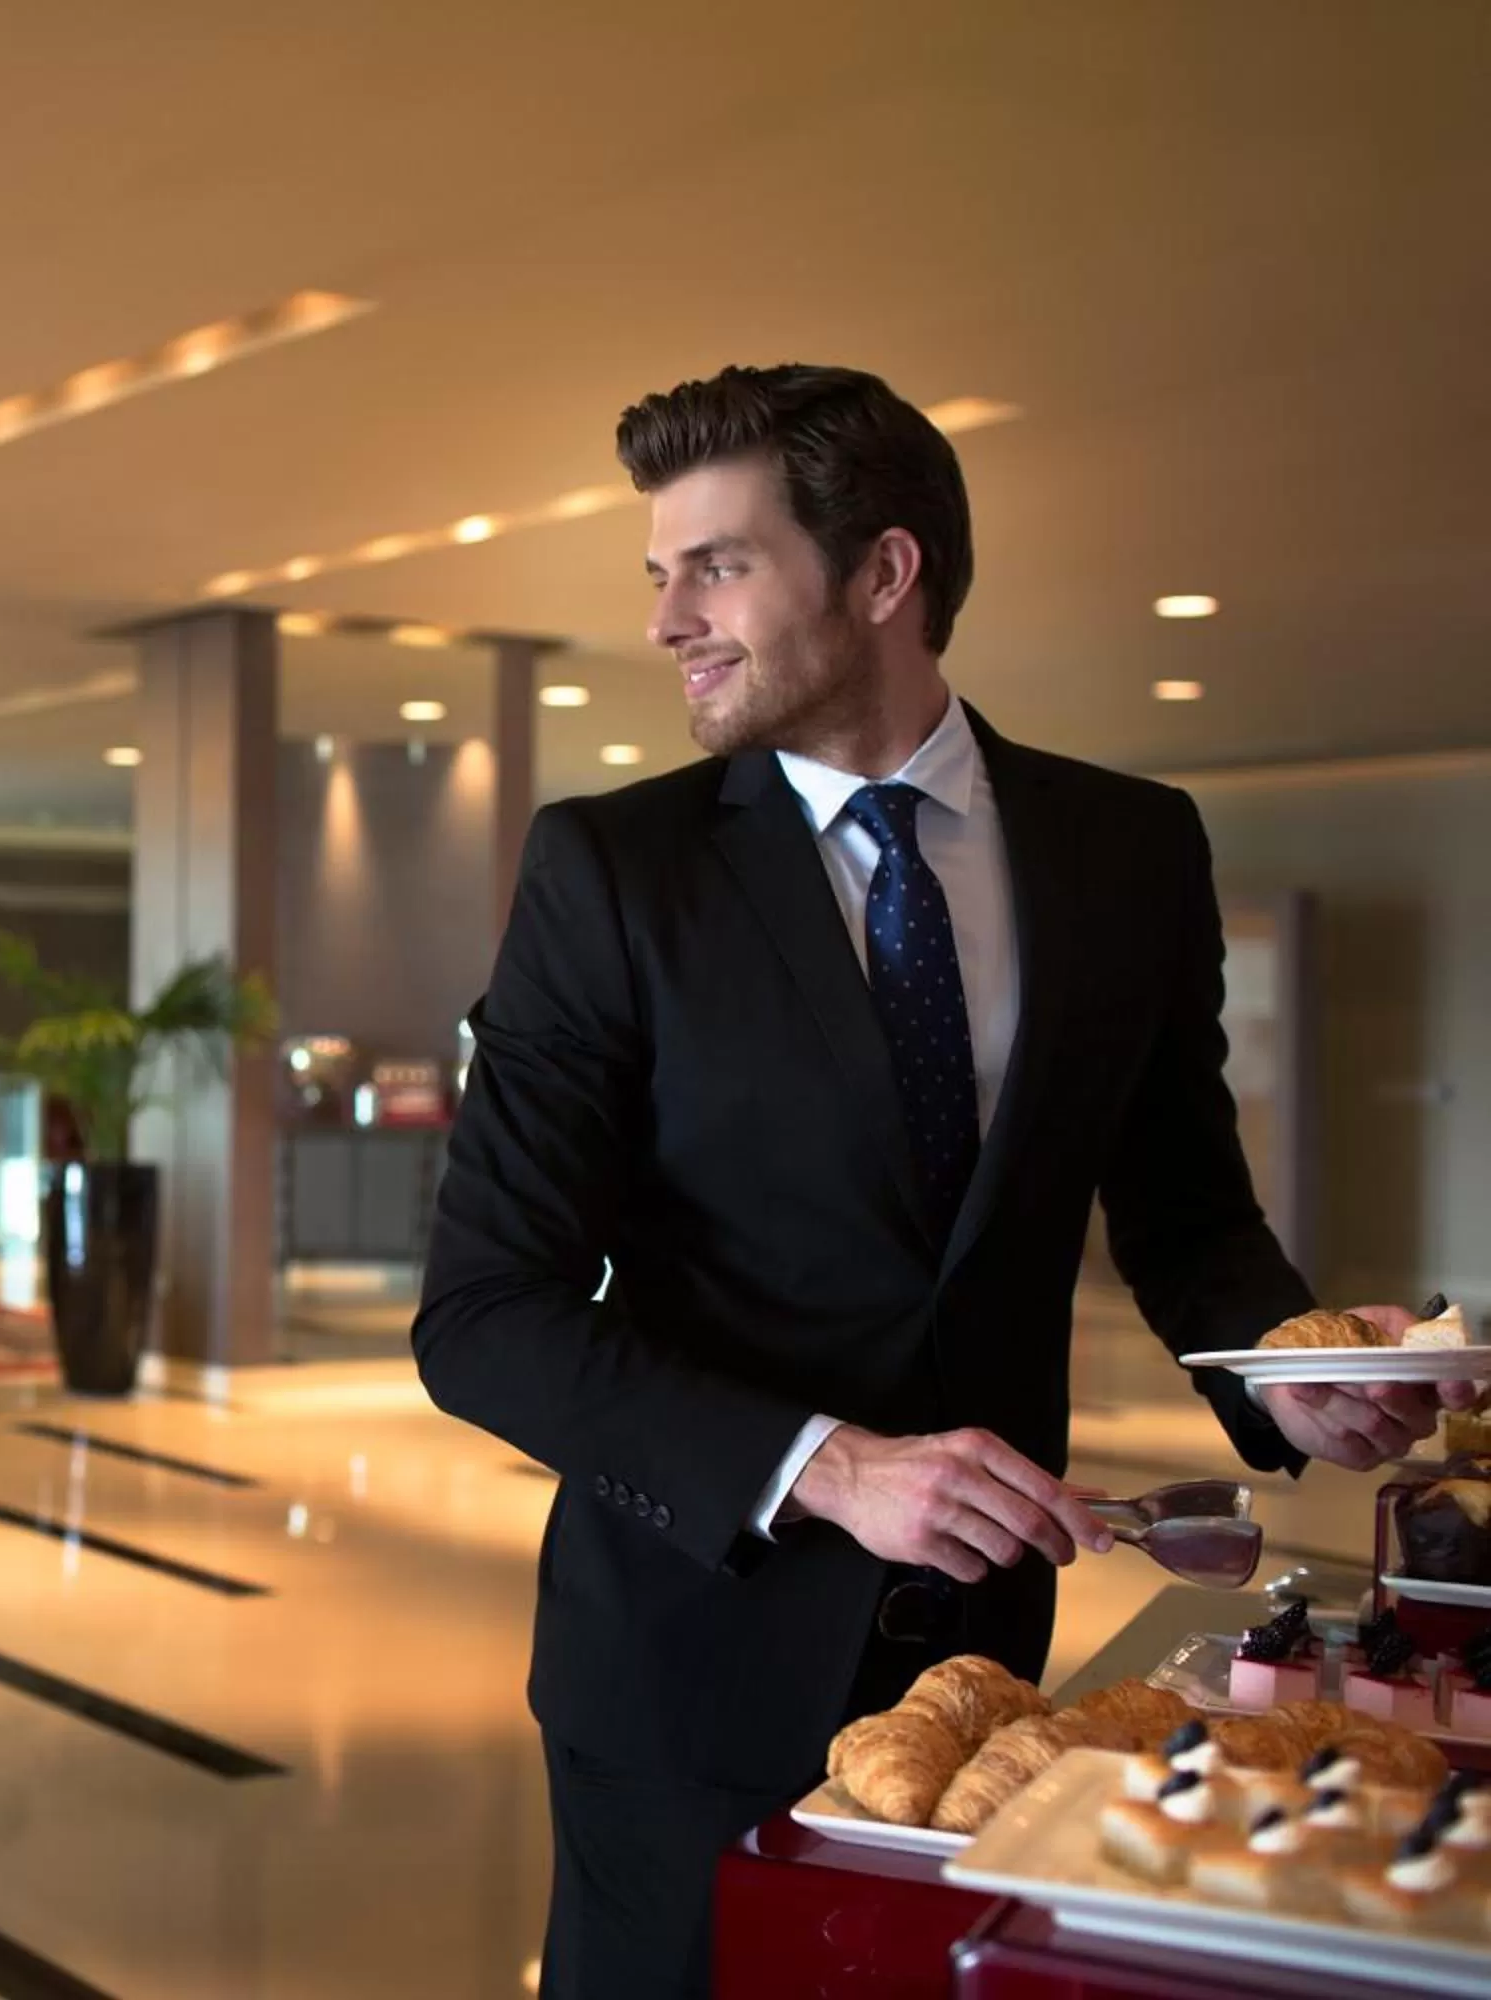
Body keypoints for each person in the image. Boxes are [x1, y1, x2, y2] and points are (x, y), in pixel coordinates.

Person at [410, 364, 1465, 1999]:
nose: (670, 620)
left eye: (719, 566)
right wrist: (828, 1467)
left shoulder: (1127, 850)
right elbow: (485, 1315)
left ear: (883, 574)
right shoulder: (612, 873)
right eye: (662, 573)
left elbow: (1187, 1214)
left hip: (980, 1665)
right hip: (686, 1664)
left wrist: (1291, 1374)